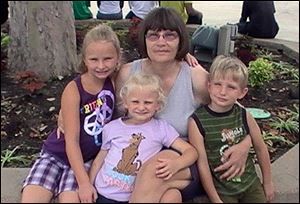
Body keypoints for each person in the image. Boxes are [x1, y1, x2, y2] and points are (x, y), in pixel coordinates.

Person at [115, 7, 252, 202]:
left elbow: (239, 113)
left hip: (184, 159)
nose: (161, 42)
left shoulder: (195, 77)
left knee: (155, 171)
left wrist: (245, 144)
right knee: (169, 197)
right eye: (154, 36)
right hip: (139, 155)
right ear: (144, 40)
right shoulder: (128, 74)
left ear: (181, 40)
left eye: (169, 35)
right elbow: (102, 106)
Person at [21, 24, 120, 203]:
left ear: (117, 58)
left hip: (86, 159)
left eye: (107, 59)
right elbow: (71, 141)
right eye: (93, 59)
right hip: (56, 154)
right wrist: (84, 184)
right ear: (84, 59)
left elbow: (146, 66)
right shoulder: (74, 89)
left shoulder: (115, 80)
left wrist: (183, 53)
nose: (101, 66)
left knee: (71, 199)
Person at [89, 73, 198, 203]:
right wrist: (89, 185)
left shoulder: (161, 128)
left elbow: (191, 152)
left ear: (158, 105)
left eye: (148, 102)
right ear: (125, 103)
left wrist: (176, 164)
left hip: (133, 196)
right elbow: (99, 160)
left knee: (172, 195)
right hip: (103, 193)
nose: (141, 107)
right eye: (135, 102)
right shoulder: (112, 127)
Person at [188, 55, 275, 203]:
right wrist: (215, 199)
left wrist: (267, 182)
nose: (223, 92)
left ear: (242, 92)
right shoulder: (196, 122)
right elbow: (202, 164)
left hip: (250, 184)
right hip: (222, 190)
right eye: (218, 84)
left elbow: (260, 148)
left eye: (231, 87)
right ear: (209, 86)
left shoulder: (244, 115)